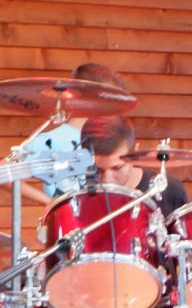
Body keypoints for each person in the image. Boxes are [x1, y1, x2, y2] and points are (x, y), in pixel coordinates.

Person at [15, 63, 128, 205]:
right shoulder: (50, 141)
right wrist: (51, 204)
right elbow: (3, 174)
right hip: (67, 217)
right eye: (112, 103)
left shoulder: (108, 138)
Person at [79, 115, 188, 218]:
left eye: (117, 168)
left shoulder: (171, 192)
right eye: (97, 170)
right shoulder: (79, 198)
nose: (106, 180)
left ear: (135, 153)